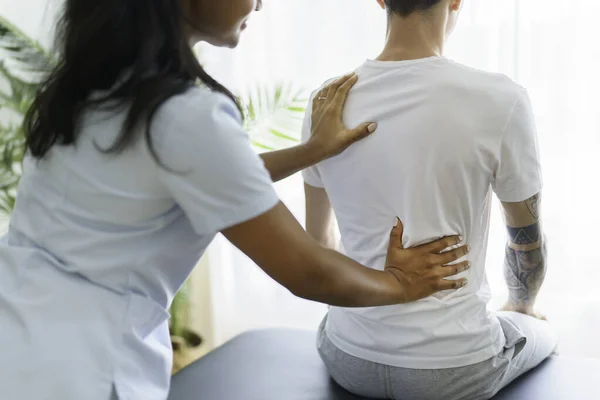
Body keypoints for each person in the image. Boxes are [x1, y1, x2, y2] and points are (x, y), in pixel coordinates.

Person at [0, 1, 473, 399]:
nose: (261, 1)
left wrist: (312, 151)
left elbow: (193, 179)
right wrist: (398, 284)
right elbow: (307, 269)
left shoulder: (93, 87)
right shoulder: (186, 115)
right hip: (81, 370)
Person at [303, 1, 558, 399]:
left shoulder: (327, 101)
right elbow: (527, 245)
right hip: (453, 370)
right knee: (544, 329)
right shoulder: (500, 98)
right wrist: (521, 306)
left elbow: (318, 244)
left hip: (345, 356)